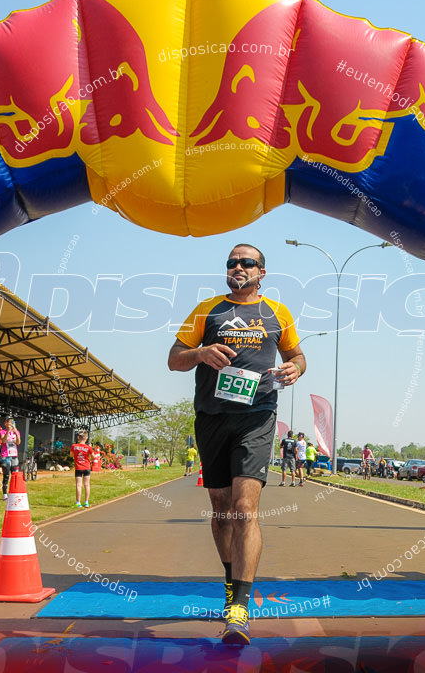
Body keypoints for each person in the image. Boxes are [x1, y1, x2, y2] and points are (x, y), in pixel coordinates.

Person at [168, 243, 305, 645]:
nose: (238, 267)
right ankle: (232, 585)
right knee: (222, 509)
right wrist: (200, 352)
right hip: (212, 417)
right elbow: (174, 359)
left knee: (245, 508)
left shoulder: (278, 313)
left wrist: (295, 368)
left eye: (247, 262)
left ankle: (239, 609)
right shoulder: (207, 310)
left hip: (257, 416)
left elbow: (298, 356)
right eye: (232, 262)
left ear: (263, 272)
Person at [0, 417, 22, 500]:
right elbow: (3, 441)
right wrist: (8, 431)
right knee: (6, 475)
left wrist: (16, 433)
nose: (10, 424)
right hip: (6, 455)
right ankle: (5, 495)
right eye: (8, 422)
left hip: (14, 455)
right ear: (5, 423)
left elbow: (18, 442)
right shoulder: (2, 431)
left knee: (15, 475)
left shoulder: (16, 432)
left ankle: (14, 494)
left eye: (11, 422)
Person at [71, 429, 93, 507]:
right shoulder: (88, 447)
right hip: (87, 467)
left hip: (78, 468)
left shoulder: (74, 446)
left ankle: (78, 502)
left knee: (78, 485)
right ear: (86, 438)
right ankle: (86, 502)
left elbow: (71, 455)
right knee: (87, 485)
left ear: (78, 437)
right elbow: (93, 457)